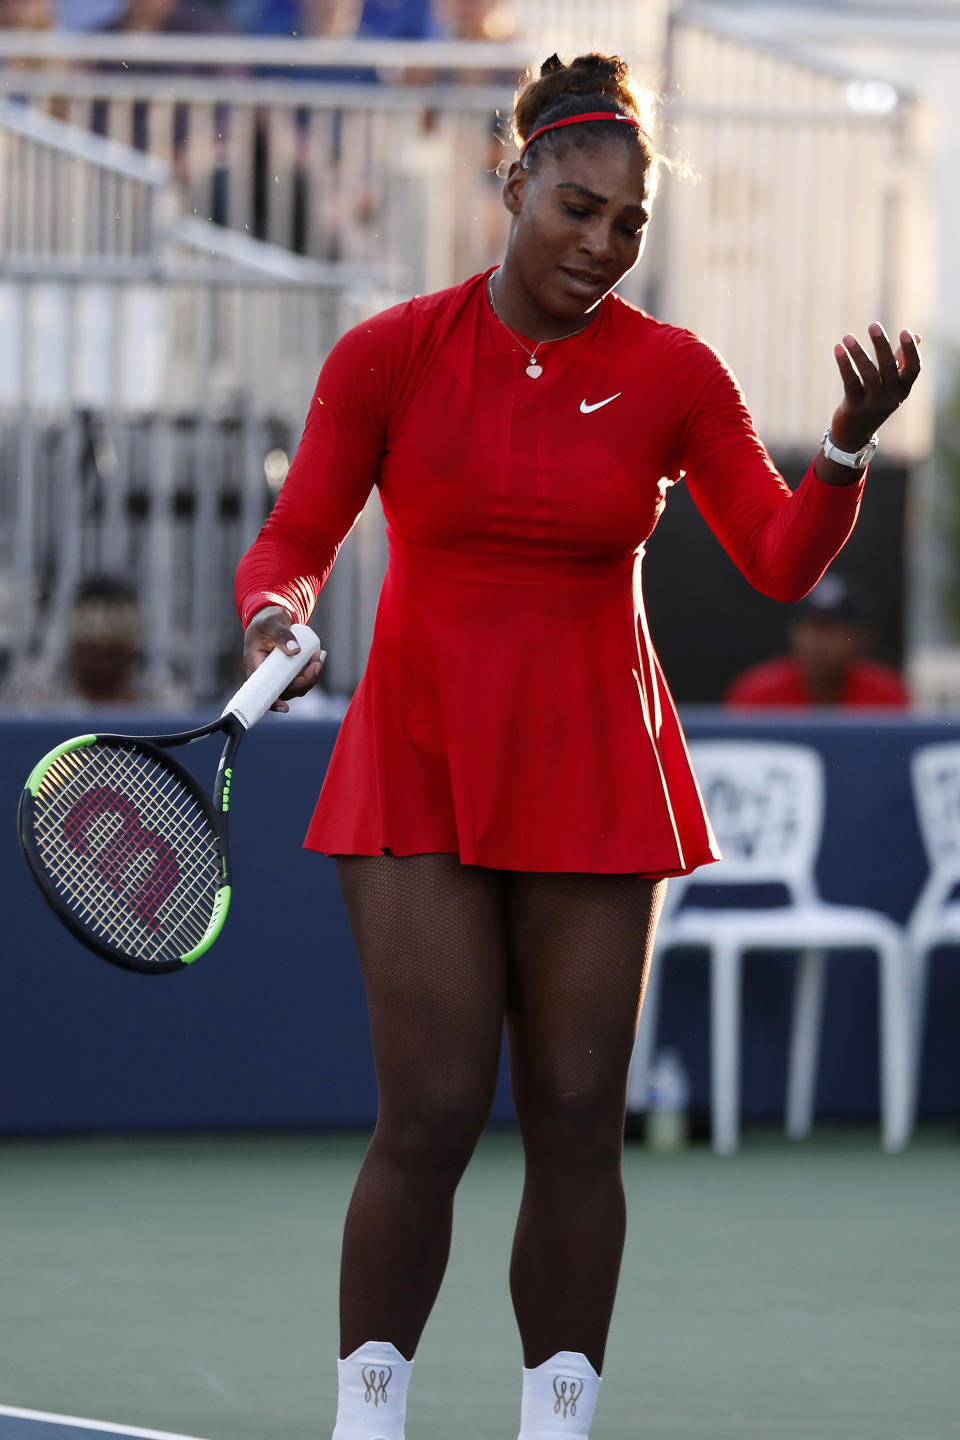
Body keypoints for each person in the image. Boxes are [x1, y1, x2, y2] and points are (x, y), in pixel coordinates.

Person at [233, 52, 923, 1440]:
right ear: (515, 183)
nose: (603, 244)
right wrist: (272, 614)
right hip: (418, 761)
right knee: (426, 1116)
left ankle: (559, 1425)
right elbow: (296, 538)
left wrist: (842, 452)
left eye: (630, 226)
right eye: (578, 208)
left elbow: (782, 559)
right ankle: (369, 1420)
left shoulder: (674, 374)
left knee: (573, 1118)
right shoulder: (387, 354)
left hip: (600, 772)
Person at [0, 574, 188, 711]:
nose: (102, 657)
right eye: (93, 648)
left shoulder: (164, 699)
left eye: (113, 650)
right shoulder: (35, 693)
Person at [725, 572, 910, 708]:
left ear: (859, 637)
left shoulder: (887, 695)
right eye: (807, 628)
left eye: (829, 629)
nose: (816, 641)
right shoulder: (757, 693)